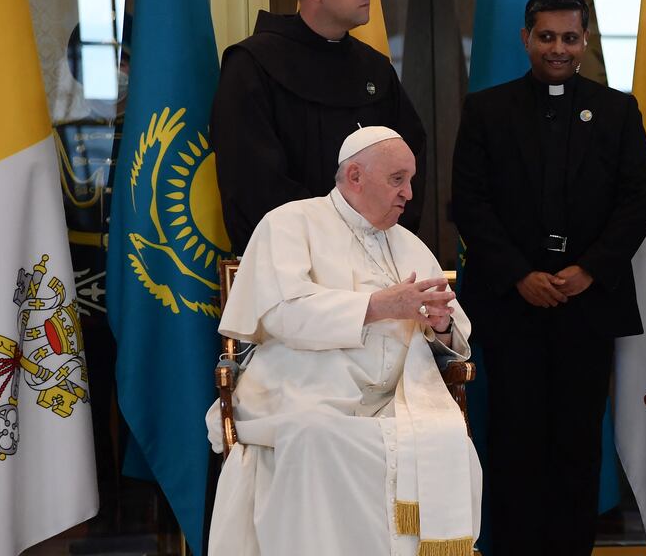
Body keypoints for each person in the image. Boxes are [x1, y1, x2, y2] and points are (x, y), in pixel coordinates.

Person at [205, 126, 480, 556]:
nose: (409, 193)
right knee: (314, 436)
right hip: (303, 394)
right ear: (355, 176)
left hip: (396, 401)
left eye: (411, 180)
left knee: (448, 442)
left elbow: (454, 337)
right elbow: (283, 314)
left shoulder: (410, 245)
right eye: (397, 180)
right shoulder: (289, 224)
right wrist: (377, 306)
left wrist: (441, 324)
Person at [450, 0, 646, 555]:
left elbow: (637, 201)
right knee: (514, 440)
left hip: (586, 305)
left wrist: (590, 270)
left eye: (569, 38)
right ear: (526, 38)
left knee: (577, 443)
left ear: (585, 40)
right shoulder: (486, 110)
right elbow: (470, 203)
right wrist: (520, 274)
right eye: (546, 37)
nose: (558, 49)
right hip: (510, 304)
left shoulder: (617, 110)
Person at [211, 0, 426, 254]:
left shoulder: (375, 69)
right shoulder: (254, 65)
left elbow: (408, 164)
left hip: (375, 254)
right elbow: (252, 179)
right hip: (290, 256)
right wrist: (334, 236)